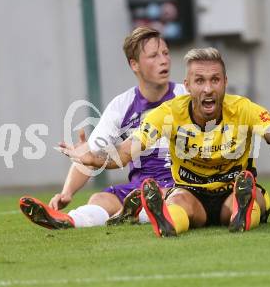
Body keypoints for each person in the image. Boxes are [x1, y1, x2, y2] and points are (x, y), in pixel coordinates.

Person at [58, 47, 270, 237]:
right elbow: (127, 151)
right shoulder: (167, 114)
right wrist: (95, 159)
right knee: (179, 201)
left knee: (253, 198)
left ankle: (242, 207)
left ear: (225, 82)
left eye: (215, 80)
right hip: (192, 192)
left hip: (232, 188)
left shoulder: (244, 108)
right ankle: (165, 221)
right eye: (200, 80)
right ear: (187, 85)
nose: (208, 88)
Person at [19, 26, 187, 230]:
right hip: (140, 188)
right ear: (134, 64)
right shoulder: (122, 105)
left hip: (181, 185)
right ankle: (68, 220)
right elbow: (92, 155)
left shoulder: (186, 96)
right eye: (153, 55)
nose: (164, 60)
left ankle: (134, 213)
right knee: (99, 199)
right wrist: (67, 193)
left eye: (165, 53)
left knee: (170, 201)